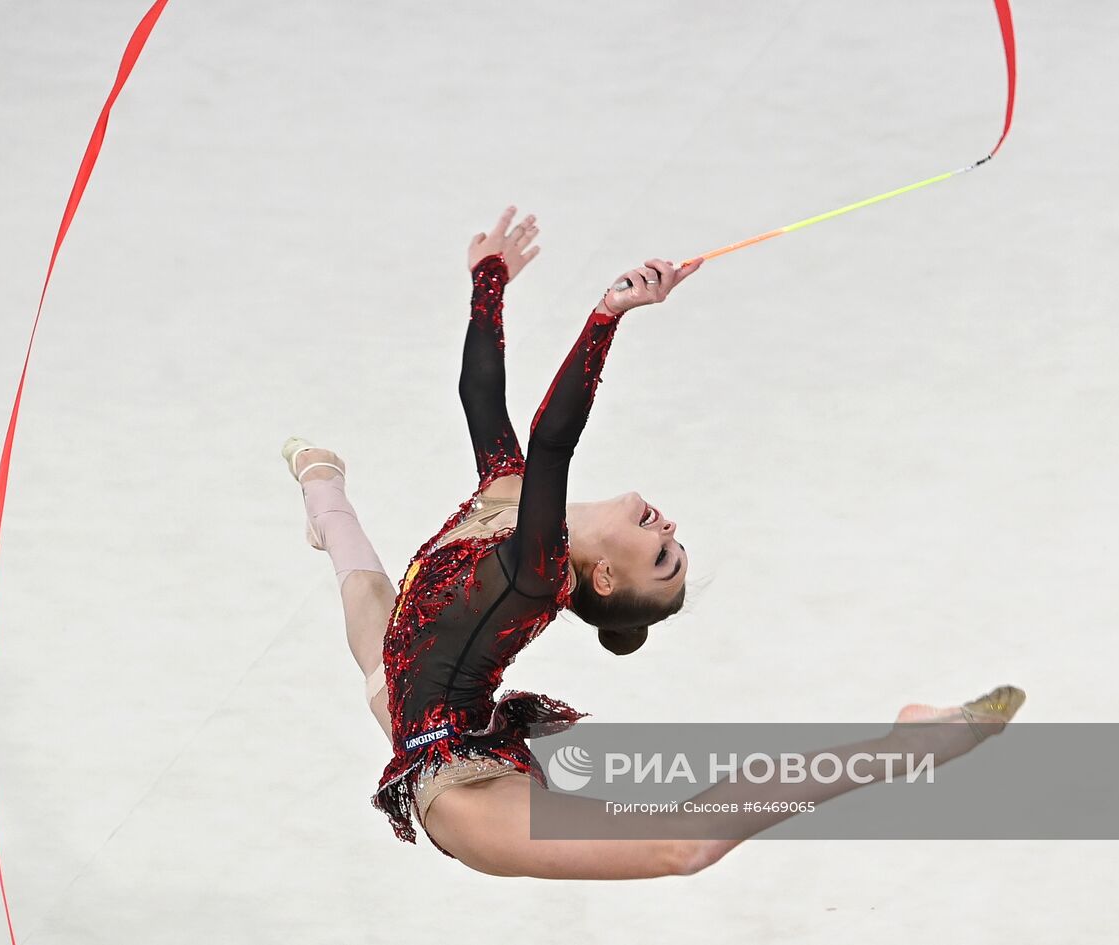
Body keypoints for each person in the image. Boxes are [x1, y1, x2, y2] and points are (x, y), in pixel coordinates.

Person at [282, 208, 1025, 878]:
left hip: (463, 787)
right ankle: (324, 488)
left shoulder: (536, 570)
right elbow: (479, 393)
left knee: (687, 844)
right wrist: (488, 276)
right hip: (415, 692)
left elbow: (553, 440)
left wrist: (609, 313)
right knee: (369, 600)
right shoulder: (502, 495)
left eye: (663, 557)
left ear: (601, 576)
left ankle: (908, 744)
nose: (669, 531)